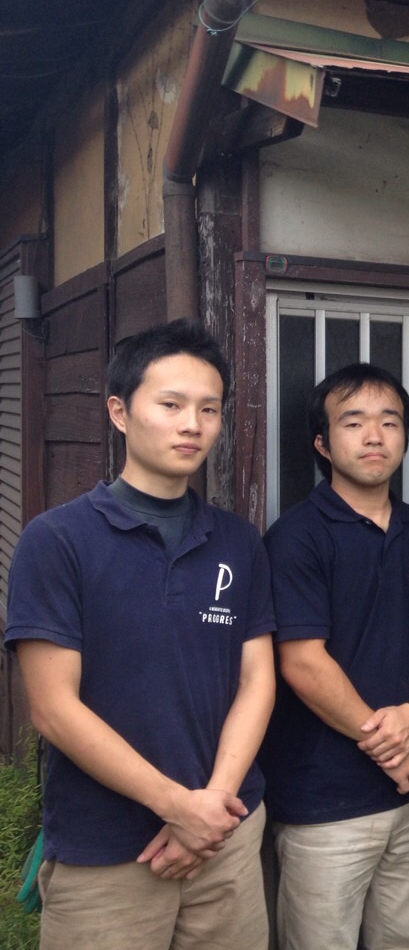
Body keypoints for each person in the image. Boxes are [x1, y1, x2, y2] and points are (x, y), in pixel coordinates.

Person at [4, 320, 275, 950]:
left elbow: (256, 679)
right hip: (107, 849)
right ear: (120, 413)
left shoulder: (238, 541)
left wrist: (212, 806)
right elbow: (52, 708)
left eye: (209, 409)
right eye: (171, 405)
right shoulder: (58, 540)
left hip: (227, 835)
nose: (193, 425)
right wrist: (178, 808)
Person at [258, 363, 409, 950]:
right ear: (323, 444)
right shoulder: (295, 537)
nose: (374, 436)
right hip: (324, 801)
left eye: (389, 422)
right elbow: (302, 660)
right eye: (354, 423)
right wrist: (386, 744)